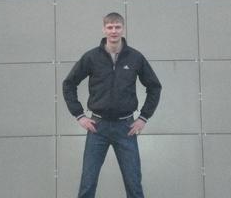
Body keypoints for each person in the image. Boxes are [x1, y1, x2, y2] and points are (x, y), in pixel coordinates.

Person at [63, 12, 162, 198]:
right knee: (88, 183)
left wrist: (143, 117)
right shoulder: (91, 57)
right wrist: (79, 115)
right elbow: (69, 84)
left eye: (117, 27)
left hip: (126, 128)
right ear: (103, 30)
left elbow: (154, 87)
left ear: (123, 29)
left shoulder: (135, 57)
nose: (114, 31)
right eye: (110, 27)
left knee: (133, 183)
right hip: (97, 127)